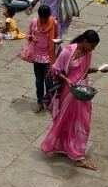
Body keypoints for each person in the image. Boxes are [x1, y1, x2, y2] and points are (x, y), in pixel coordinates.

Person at [40, 29, 101, 170]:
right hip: (69, 92)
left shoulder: (88, 52)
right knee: (65, 120)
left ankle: (75, 151)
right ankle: (76, 156)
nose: (93, 49)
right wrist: (67, 80)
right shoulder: (68, 51)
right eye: (92, 46)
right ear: (85, 42)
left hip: (82, 91)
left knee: (82, 123)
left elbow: (85, 70)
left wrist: (97, 69)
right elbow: (55, 70)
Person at [21, 5, 59, 112]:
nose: (43, 20)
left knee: (48, 82)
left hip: (49, 58)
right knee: (38, 81)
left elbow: (57, 37)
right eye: (42, 18)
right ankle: (40, 102)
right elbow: (27, 35)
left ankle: (49, 102)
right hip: (37, 58)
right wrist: (32, 38)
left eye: (46, 18)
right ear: (39, 16)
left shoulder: (54, 23)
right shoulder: (34, 22)